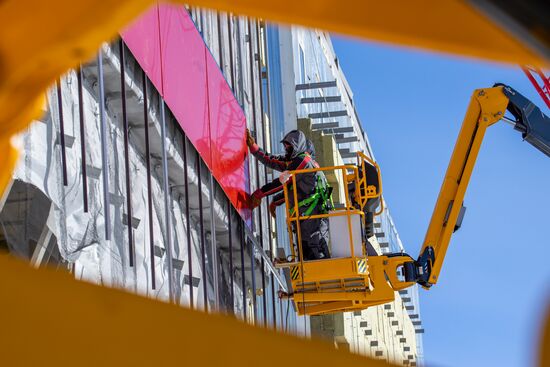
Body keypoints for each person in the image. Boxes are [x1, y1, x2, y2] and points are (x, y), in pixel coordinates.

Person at [246, 129, 330, 260]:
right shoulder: (295, 161)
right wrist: (254, 147)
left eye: (289, 145)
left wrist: (259, 194)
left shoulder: (304, 162)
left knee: (315, 254)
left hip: (314, 220)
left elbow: (282, 182)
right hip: (305, 218)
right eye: (285, 145)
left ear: (299, 146)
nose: (286, 148)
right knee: (306, 254)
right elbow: (272, 161)